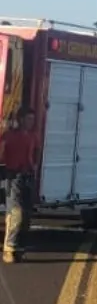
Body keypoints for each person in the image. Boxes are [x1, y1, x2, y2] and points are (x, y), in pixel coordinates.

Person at [0, 108, 39, 263]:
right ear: (20, 119)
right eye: (28, 119)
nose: (31, 122)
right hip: (13, 176)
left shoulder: (33, 136)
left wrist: (34, 166)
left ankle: (19, 249)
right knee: (16, 213)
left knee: (27, 215)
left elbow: (36, 151)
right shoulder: (9, 136)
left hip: (27, 176)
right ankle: (9, 249)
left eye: (32, 119)